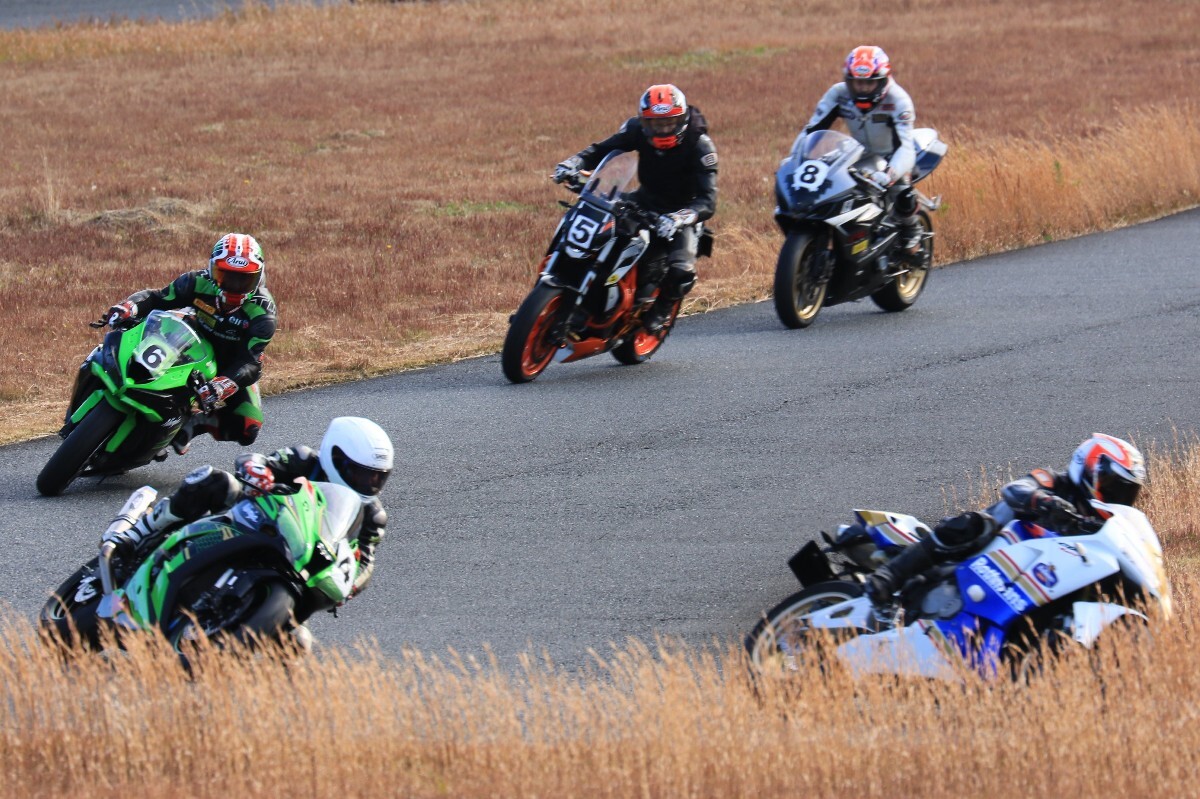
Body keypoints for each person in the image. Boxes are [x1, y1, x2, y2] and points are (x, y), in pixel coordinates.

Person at [103, 416, 393, 602]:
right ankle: (140, 533)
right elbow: (256, 460)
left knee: (299, 645)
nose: (369, 483)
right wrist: (257, 472)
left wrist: (352, 584)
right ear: (335, 456)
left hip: (304, 566)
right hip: (258, 520)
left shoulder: (373, 516)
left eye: (377, 477)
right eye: (361, 473)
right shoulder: (305, 460)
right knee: (213, 481)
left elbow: (365, 563)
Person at [864, 434, 1149, 612]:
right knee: (976, 523)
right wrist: (1044, 501)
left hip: (1029, 581)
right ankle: (889, 576)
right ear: (1087, 468)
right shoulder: (1053, 482)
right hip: (987, 551)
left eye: (1127, 492)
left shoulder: (1096, 526)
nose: (1118, 497)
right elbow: (1015, 489)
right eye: (1113, 486)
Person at [553, 83, 718, 332]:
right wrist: (574, 162)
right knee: (597, 231)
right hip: (644, 199)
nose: (662, 129)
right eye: (655, 124)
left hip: (682, 212)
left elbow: (708, 200)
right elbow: (601, 149)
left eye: (669, 123)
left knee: (681, 269)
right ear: (644, 122)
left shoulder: (701, 146)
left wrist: (680, 218)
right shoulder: (636, 130)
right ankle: (581, 295)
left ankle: (662, 309)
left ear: (682, 120)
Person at [98, 232, 276, 453]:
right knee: (132, 353)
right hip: (187, 341)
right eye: (226, 276)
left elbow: (250, 362)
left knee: (248, 426)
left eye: (243, 279)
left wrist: (223, 384)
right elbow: (157, 298)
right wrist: (129, 307)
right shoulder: (196, 282)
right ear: (212, 270)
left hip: (229, 366)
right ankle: (103, 373)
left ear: (258, 277)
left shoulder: (263, 314)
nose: (234, 286)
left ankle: (192, 422)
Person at [802, 45, 922, 254]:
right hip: (858, 154)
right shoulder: (838, 94)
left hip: (893, 157)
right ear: (849, 80)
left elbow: (906, 148)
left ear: (882, 80)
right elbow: (811, 130)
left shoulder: (898, 100)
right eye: (858, 83)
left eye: (869, 83)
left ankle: (912, 228)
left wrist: (889, 175)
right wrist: (797, 157)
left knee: (901, 190)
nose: (863, 89)